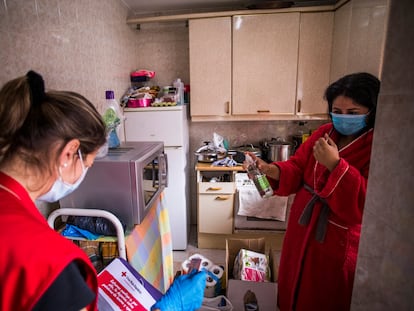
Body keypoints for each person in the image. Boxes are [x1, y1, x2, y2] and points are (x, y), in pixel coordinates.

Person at [0, 71, 206, 311]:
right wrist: (170, 308)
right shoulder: (48, 260)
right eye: (87, 166)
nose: (84, 173)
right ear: (69, 153)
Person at [244, 72, 380, 311]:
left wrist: (336, 166)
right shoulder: (324, 134)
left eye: (353, 113)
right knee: (292, 284)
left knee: (324, 294)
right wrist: (269, 169)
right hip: (302, 229)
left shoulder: (377, 146)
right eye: (337, 111)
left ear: (371, 112)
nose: (342, 117)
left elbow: (366, 202)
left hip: (336, 239)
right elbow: (297, 167)